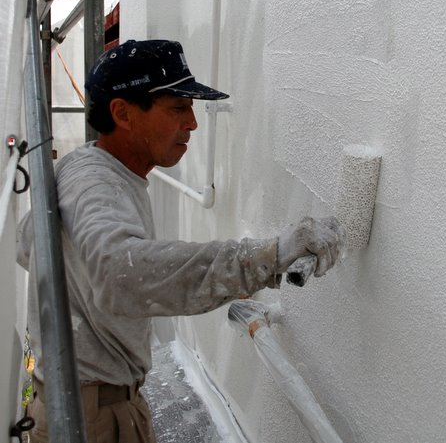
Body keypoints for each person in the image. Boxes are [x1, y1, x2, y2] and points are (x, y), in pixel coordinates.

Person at [16, 39, 341, 443]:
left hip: (89, 404)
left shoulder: (91, 171)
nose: (192, 123)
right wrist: (269, 256)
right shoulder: (96, 182)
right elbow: (122, 274)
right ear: (123, 113)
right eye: (177, 108)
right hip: (91, 420)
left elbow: (27, 243)